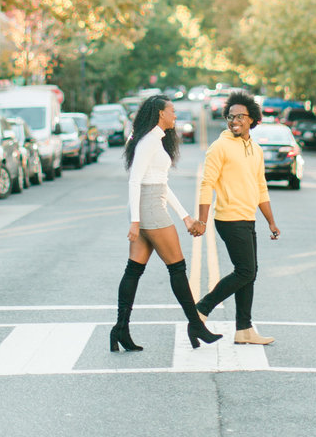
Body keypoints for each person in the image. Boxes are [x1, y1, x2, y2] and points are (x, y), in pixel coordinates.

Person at [110, 95, 222, 352]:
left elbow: (162, 184)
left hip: (150, 204)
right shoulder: (149, 141)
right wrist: (135, 222)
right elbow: (135, 180)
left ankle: (120, 329)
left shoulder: (155, 140)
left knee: (133, 270)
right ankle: (195, 324)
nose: (175, 115)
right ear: (160, 113)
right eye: (172, 111)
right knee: (178, 267)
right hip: (149, 208)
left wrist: (185, 217)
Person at [194, 90, 281, 346]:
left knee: (249, 273)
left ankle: (244, 329)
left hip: (248, 217)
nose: (234, 121)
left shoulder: (255, 149)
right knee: (245, 271)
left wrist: (271, 221)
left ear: (252, 119)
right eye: (231, 116)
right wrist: (201, 220)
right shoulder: (219, 147)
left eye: (240, 116)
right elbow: (206, 183)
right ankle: (200, 310)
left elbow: (261, 187)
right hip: (228, 218)